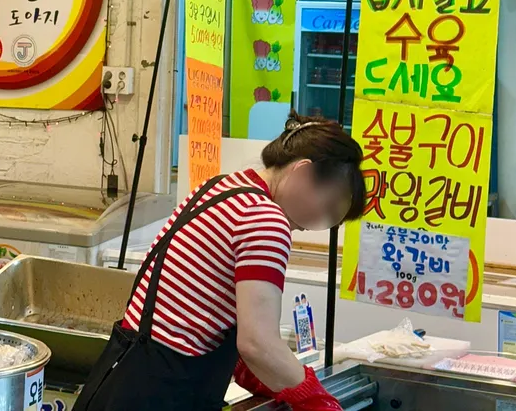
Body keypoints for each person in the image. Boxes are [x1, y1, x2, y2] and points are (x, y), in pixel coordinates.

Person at [76, 113, 366, 411]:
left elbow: (203, 320)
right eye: (327, 207)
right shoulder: (266, 219)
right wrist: (316, 400)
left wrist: (270, 379)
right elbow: (258, 344)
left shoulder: (220, 188)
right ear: (303, 172)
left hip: (121, 386)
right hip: (159, 396)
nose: (315, 224)